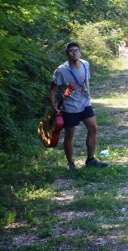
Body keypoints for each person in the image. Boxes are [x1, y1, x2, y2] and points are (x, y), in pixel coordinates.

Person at [48, 42, 107, 171]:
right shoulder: (61, 70)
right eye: (71, 51)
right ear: (67, 54)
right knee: (69, 135)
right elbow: (52, 90)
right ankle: (70, 163)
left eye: (76, 50)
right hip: (70, 107)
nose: (74, 52)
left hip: (85, 103)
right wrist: (54, 108)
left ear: (80, 52)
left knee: (93, 129)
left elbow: (84, 82)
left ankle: (90, 160)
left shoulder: (85, 64)